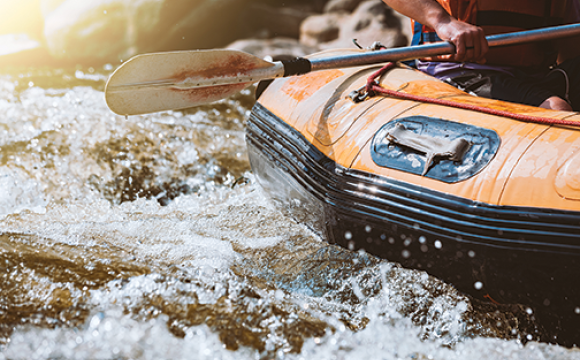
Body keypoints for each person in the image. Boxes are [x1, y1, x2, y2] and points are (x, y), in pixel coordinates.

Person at [381, 0, 580, 111]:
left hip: (533, 74)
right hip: (462, 70)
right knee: (556, 109)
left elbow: (570, 48)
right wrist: (443, 21)